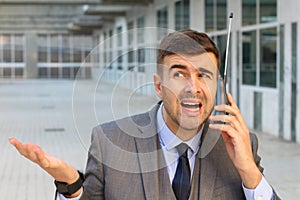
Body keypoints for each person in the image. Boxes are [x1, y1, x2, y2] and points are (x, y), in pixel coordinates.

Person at [9, 29, 280, 200]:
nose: (193, 88)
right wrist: (72, 187)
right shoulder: (108, 141)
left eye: (203, 75)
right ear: (158, 86)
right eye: (179, 74)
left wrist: (249, 172)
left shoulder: (240, 145)